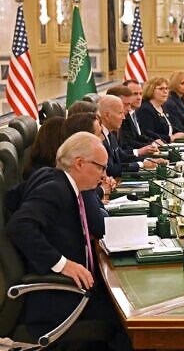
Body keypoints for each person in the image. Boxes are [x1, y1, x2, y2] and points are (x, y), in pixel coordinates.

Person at [6, 133, 131, 349]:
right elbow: (20, 226)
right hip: (58, 299)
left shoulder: (54, 178)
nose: (104, 175)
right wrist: (62, 263)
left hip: (72, 290)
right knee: (127, 319)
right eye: (100, 167)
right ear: (79, 163)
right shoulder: (55, 189)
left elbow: (13, 200)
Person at [98, 95, 163, 178]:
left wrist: (148, 160)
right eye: (120, 113)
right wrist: (141, 164)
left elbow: (123, 157)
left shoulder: (110, 134)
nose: (124, 117)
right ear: (107, 115)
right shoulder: (99, 137)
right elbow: (111, 170)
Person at [137, 77, 184, 143]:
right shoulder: (145, 109)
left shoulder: (163, 107)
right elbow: (148, 134)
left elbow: (170, 128)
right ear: (150, 90)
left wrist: (181, 133)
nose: (165, 91)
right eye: (161, 89)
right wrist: (170, 138)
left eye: (166, 88)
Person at [120, 79, 162, 149]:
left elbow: (140, 137)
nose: (139, 98)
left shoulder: (134, 113)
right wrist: (151, 145)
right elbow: (128, 142)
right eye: (135, 94)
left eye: (140, 94)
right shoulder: (124, 116)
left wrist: (153, 143)